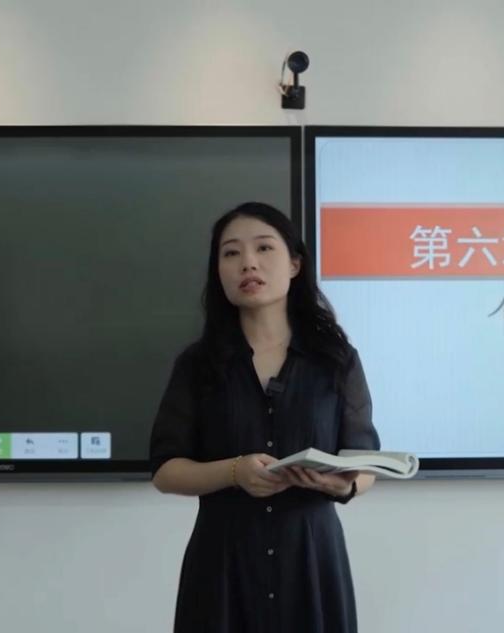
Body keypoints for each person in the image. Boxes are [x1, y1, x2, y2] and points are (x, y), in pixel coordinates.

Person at [149, 201, 381, 633]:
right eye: (231, 253)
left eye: (264, 248)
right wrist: (235, 472)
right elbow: (165, 470)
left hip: (311, 561)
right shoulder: (198, 365)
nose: (248, 263)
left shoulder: (335, 359)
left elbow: (363, 459)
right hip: (223, 564)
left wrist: (343, 484)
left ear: (294, 264)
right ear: (218, 271)